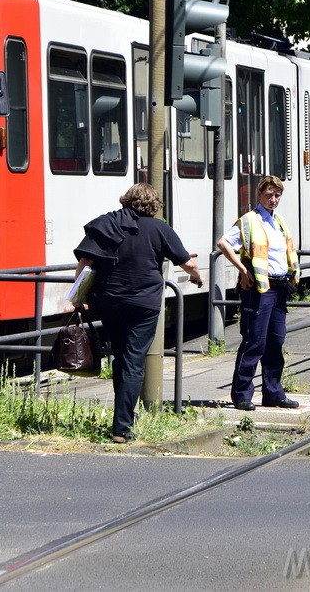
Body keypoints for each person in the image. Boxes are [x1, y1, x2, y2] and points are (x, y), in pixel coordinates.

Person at [72, 183, 203, 443]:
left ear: (127, 200)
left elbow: (85, 262)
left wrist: (77, 297)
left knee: (121, 359)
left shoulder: (107, 223)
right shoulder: (160, 229)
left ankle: (124, 417)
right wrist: (197, 277)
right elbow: (186, 262)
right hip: (143, 306)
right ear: (154, 205)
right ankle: (121, 427)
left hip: (109, 302)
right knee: (133, 361)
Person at [216, 176, 301, 411]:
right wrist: (243, 270)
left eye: (277, 195)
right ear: (259, 195)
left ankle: (273, 392)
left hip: (279, 287)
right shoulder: (249, 220)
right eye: (269, 195)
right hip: (259, 289)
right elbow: (223, 243)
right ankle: (242, 394)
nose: (273, 199)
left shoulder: (279, 220)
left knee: (276, 341)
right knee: (255, 341)